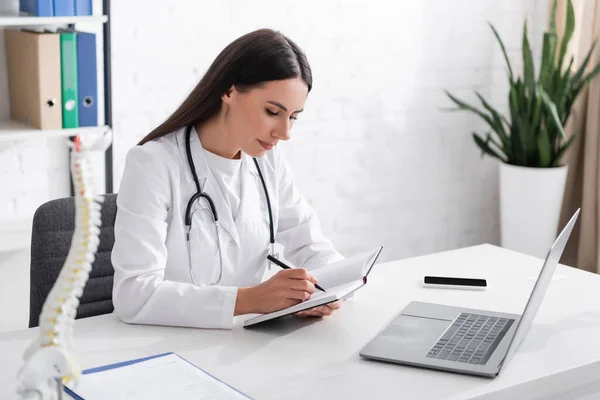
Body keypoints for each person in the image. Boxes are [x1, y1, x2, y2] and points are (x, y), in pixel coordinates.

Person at [111, 28, 344, 329]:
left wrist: (329, 287)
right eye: (273, 111)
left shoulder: (267, 161)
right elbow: (134, 296)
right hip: (171, 348)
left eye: (294, 117)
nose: (285, 133)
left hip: (245, 343)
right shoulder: (153, 164)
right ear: (229, 91)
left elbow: (311, 243)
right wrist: (250, 300)